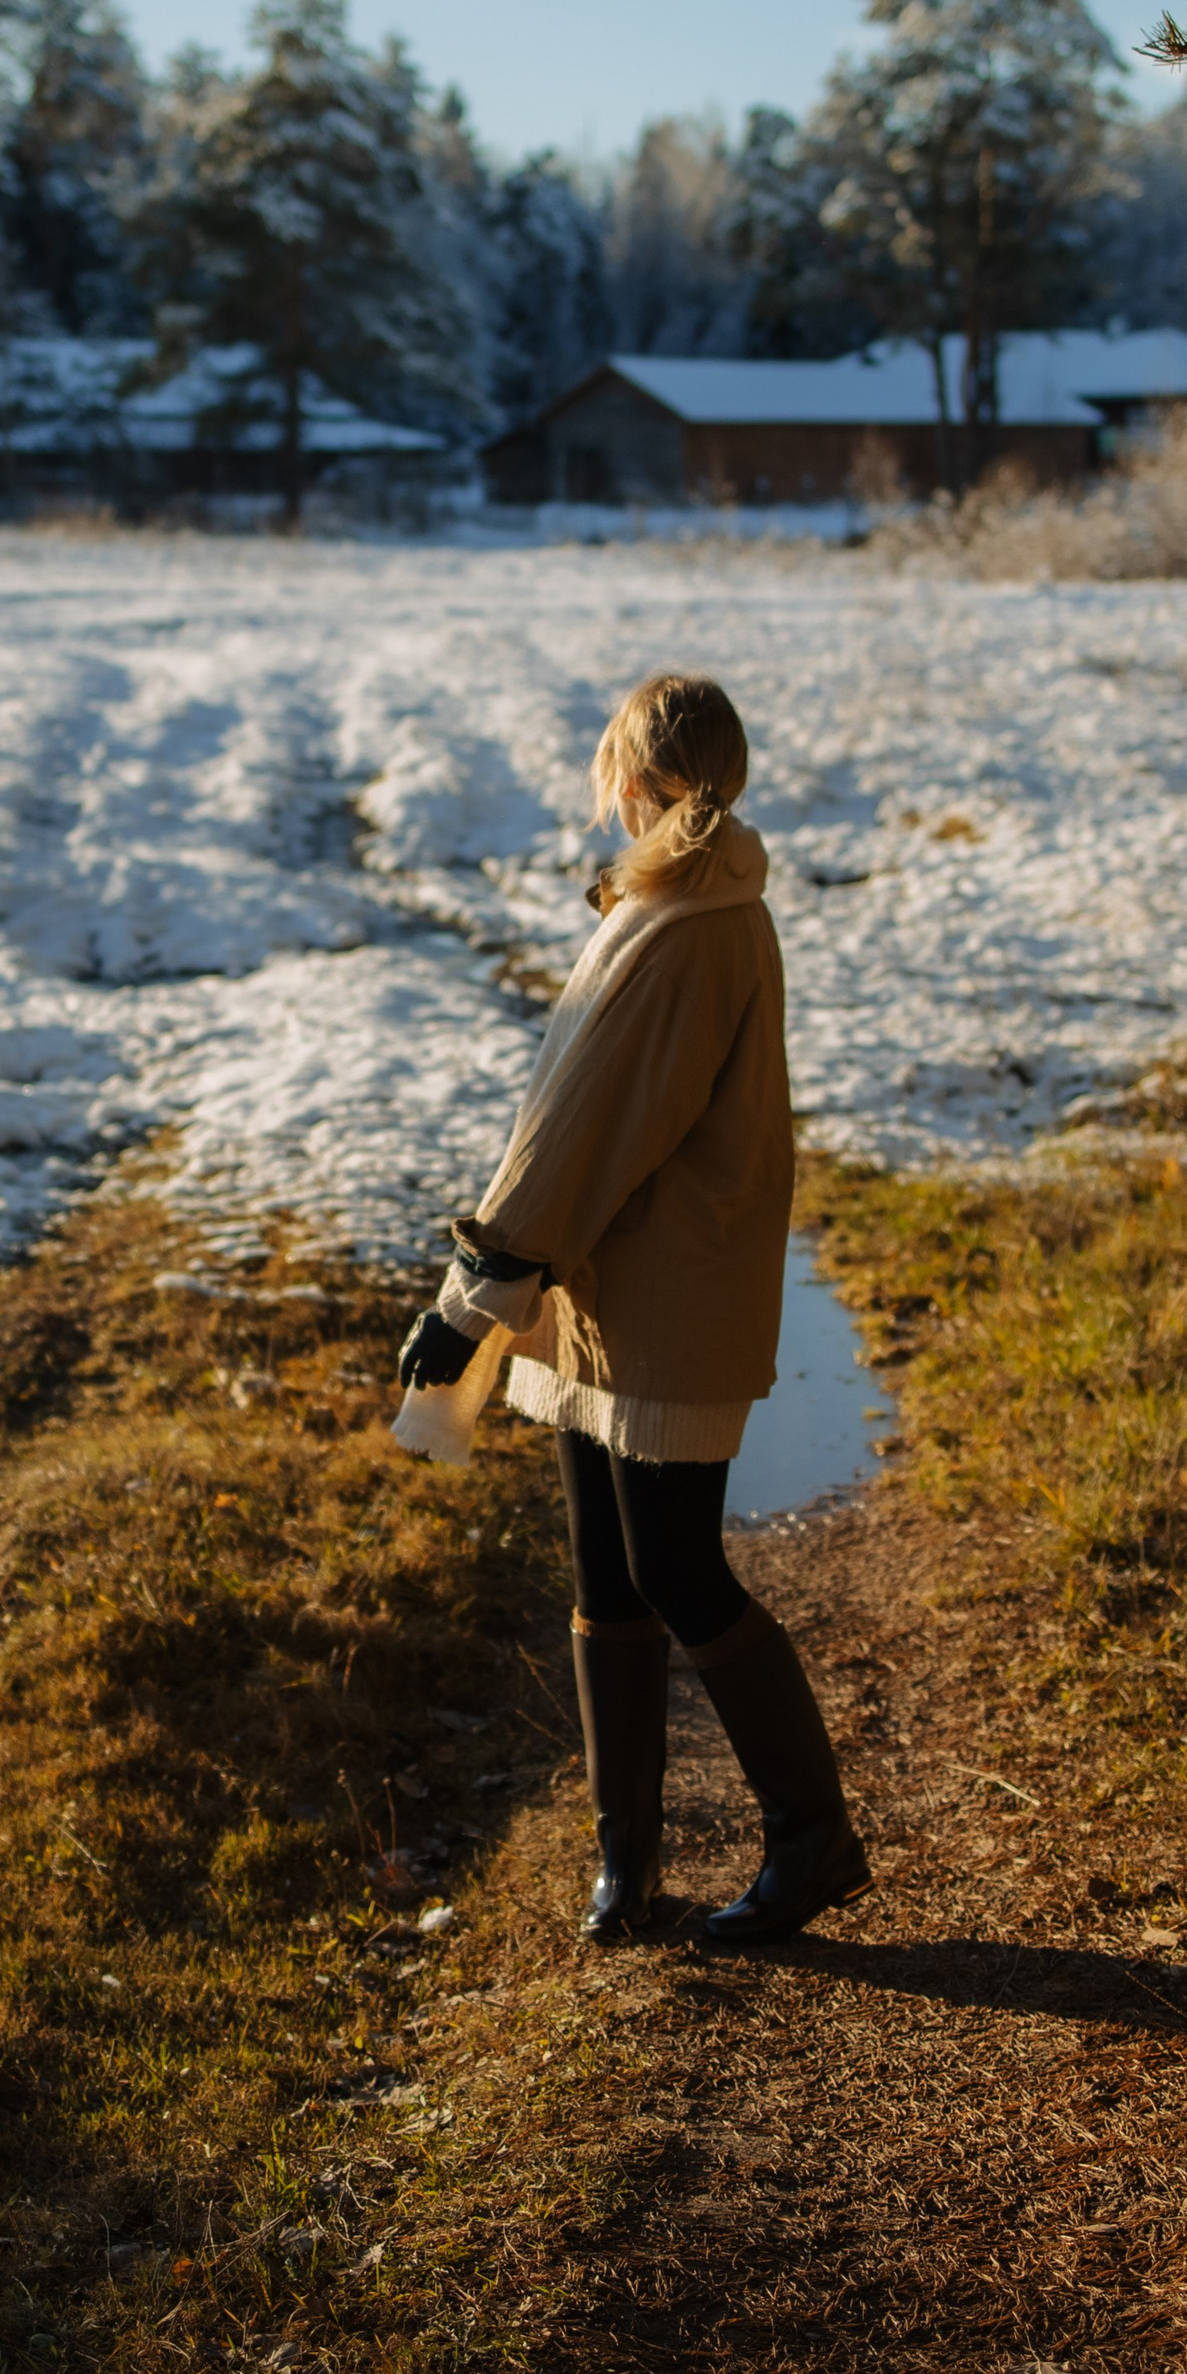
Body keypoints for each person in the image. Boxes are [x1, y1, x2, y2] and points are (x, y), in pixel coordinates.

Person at [397, 672, 871, 1949]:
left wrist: (472, 1295)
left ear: (638, 778)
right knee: (608, 1569)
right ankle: (627, 1862)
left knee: (672, 1563)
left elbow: (589, 1133)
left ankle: (813, 1836)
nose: (602, 794)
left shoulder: (688, 924)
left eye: (611, 771)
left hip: (661, 1293)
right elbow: (574, 1125)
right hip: (606, 1288)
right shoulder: (676, 903)